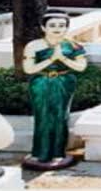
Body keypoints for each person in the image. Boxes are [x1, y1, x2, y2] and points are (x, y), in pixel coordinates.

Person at [22, 9, 87, 169]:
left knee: (61, 115)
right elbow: (28, 69)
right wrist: (52, 58)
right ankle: (40, 153)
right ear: (43, 27)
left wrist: (62, 58)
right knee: (42, 115)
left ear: (66, 27)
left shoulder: (73, 45)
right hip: (41, 82)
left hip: (64, 81)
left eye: (61, 25)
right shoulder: (33, 45)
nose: (57, 28)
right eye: (52, 25)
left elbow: (81, 67)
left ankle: (58, 152)